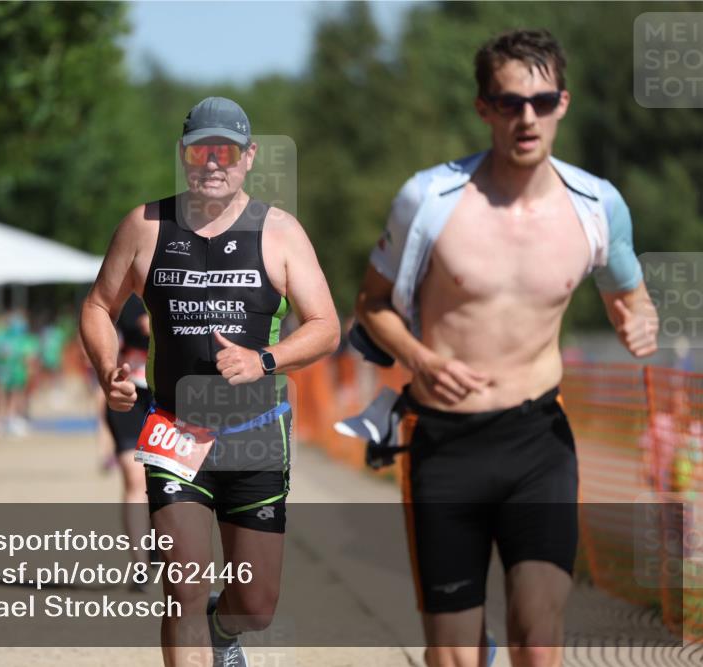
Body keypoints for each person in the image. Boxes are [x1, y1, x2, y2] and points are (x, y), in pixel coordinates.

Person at [354, 30, 659, 667]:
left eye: (542, 102)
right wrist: (425, 359)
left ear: (562, 104)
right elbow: (372, 306)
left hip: (536, 442)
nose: (527, 117)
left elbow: (630, 297)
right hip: (445, 445)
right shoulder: (428, 200)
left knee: (538, 634)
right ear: (483, 108)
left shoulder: (598, 206)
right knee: (454, 657)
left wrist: (641, 323)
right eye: (509, 102)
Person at [80, 96, 339, 667]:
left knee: (256, 605)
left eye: (226, 150)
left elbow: (326, 327)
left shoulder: (280, 231)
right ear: (184, 155)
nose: (213, 162)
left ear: (248, 157)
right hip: (175, 432)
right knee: (184, 590)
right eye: (202, 150)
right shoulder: (146, 226)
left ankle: (227, 635)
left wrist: (264, 360)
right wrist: (107, 371)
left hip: (256, 436)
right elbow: (99, 306)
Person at [102, 295, 154, 588]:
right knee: (135, 480)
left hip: (169, 396)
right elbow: (145, 326)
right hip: (129, 396)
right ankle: (140, 565)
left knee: (163, 481)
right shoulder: (128, 293)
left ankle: (159, 541)